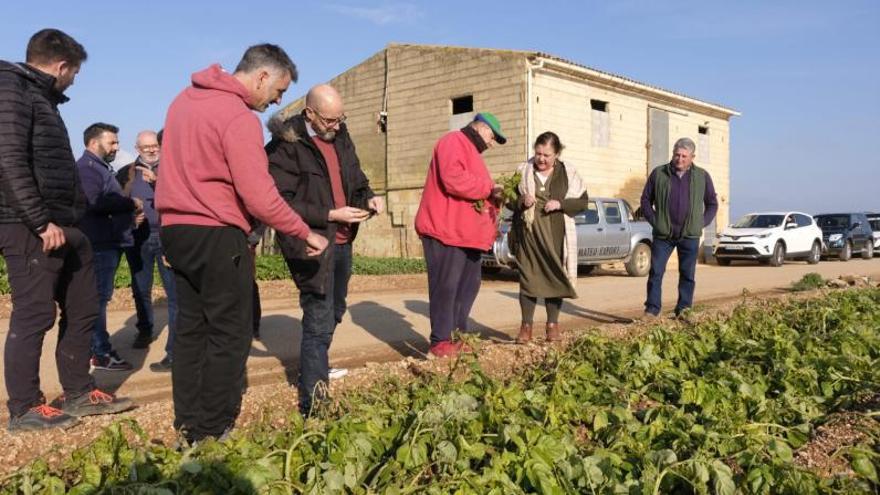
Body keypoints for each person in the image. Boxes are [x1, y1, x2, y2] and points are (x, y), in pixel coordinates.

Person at [155, 44, 328, 443]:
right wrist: (304, 231)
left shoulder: (183, 101)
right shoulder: (237, 117)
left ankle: (188, 422)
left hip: (178, 231)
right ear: (262, 76)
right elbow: (259, 195)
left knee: (191, 329)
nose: (278, 100)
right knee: (229, 332)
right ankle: (212, 429)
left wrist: (167, 225)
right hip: (217, 232)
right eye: (279, 90)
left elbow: (170, 172)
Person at [0, 29, 132, 432]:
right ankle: (24, 407)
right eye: (74, 72)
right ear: (62, 66)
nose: (74, 80)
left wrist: (68, 216)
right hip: (28, 225)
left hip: (65, 224)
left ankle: (77, 390)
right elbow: (7, 159)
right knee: (36, 311)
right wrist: (39, 221)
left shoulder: (42, 97)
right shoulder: (12, 90)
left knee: (83, 306)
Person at [266, 84, 381, 414]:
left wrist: (369, 196)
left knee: (335, 311)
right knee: (317, 319)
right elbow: (279, 203)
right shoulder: (285, 147)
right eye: (329, 120)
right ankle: (315, 403)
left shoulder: (341, 135)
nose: (335, 125)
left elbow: (356, 177)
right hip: (310, 243)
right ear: (309, 114)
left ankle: (314, 367)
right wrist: (330, 214)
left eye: (340, 118)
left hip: (343, 240)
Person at [414, 113, 505, 358]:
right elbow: (452, 178)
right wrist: (489, 188)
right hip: (445, 231)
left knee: (468, 287)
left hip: (466, 236)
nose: (492, 143)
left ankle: (457, 336)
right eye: (493, 137)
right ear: (481, 128)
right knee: (447, 287)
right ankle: (440, 341)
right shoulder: (453, 141)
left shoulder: (473, 154)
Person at [510, 132, 589, 343]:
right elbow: (507, 198)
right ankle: (526, 326)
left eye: (547, 155)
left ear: (557, 154)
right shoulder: (523, 171)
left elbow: (582, 202)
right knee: (528, 279)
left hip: (555, 235)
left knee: (554, 276)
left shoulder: (568, 173)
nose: (541, 159)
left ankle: (552, 325)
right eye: (538, 153)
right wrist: (520, 201)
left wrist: (561, 204)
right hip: (528, 236)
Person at [76, 123, 141, 372]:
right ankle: (100, 353)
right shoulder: (89, 169)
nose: (116, 146)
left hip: (104, 241)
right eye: (112, 142)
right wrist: (129, 204)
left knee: (98, 298)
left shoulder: (98, 168)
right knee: (97, 299)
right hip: (98, 243)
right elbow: (95, 202)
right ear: (94, 143)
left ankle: (98, 349)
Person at [116, 130, 178, 372]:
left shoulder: (172, 169)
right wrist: (129, 217)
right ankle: (144, 330)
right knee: (141, 288)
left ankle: (174, 349)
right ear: (136, 148)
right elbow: (117, 201)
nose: (151, 150)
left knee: (174, 293)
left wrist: (158, 181)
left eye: (155, 146)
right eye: (145, 147)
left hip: (167, 236)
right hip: (138, 238)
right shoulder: (127, 172)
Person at [640, 137, 718, 318]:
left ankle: (683, 310)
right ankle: (652, 310)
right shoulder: (659, 173)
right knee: (656, 272)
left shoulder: (702, 176)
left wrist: (701, 222)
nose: (680, 159)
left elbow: (712, 204)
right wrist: (655, 220)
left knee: (687, 274)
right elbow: (645, 200)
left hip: (689, 235)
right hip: (663, 235)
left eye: (684, 156)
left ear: (692, 157)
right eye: (677, 155)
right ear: (673, 154)